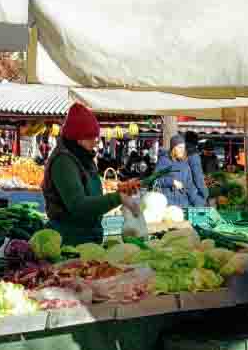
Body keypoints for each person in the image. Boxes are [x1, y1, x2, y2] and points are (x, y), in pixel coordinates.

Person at [43, 104, 139, 246]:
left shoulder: (82, 156)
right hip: (69, 241)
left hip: (87, 238)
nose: (96, 142)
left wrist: (119, 188)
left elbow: (91, 192)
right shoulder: (64, 162)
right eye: (91, 137)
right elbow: (78, 205)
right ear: (78, 138)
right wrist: (117, 198)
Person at [154, 133, 209, 210]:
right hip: (168, 206)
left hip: (183, 206)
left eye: (183, 148)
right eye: (179, 147)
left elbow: (190, 188)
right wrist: (172, 182)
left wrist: (200, 203)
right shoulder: (164, 161)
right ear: (173, 148)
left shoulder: (185, 165)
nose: (182, 150)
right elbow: (155, 180)